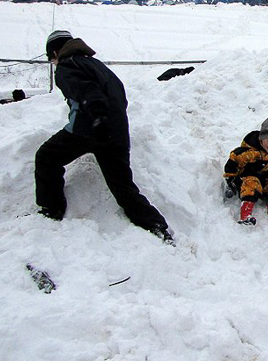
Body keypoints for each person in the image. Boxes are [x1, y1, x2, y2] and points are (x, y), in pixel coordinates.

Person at [34, 30, 173, 244]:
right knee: (123, 187)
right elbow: (119, 95)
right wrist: (109, 124)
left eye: (49, 58)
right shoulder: (95, 65)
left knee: (46, 157)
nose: (52, 62)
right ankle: (157, 226)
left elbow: (89, 92)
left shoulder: (67, 65)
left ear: (54, 52)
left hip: (89, 128)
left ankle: (50, 210)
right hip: (116, 133)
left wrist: (98, 118)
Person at [223, 113, 268, 232]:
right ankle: (245, 216)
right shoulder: (248, 152)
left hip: (263, 178)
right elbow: (233, 161)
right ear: (261, 138)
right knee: (252, 183)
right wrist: (230, 180)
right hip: (244, 179)